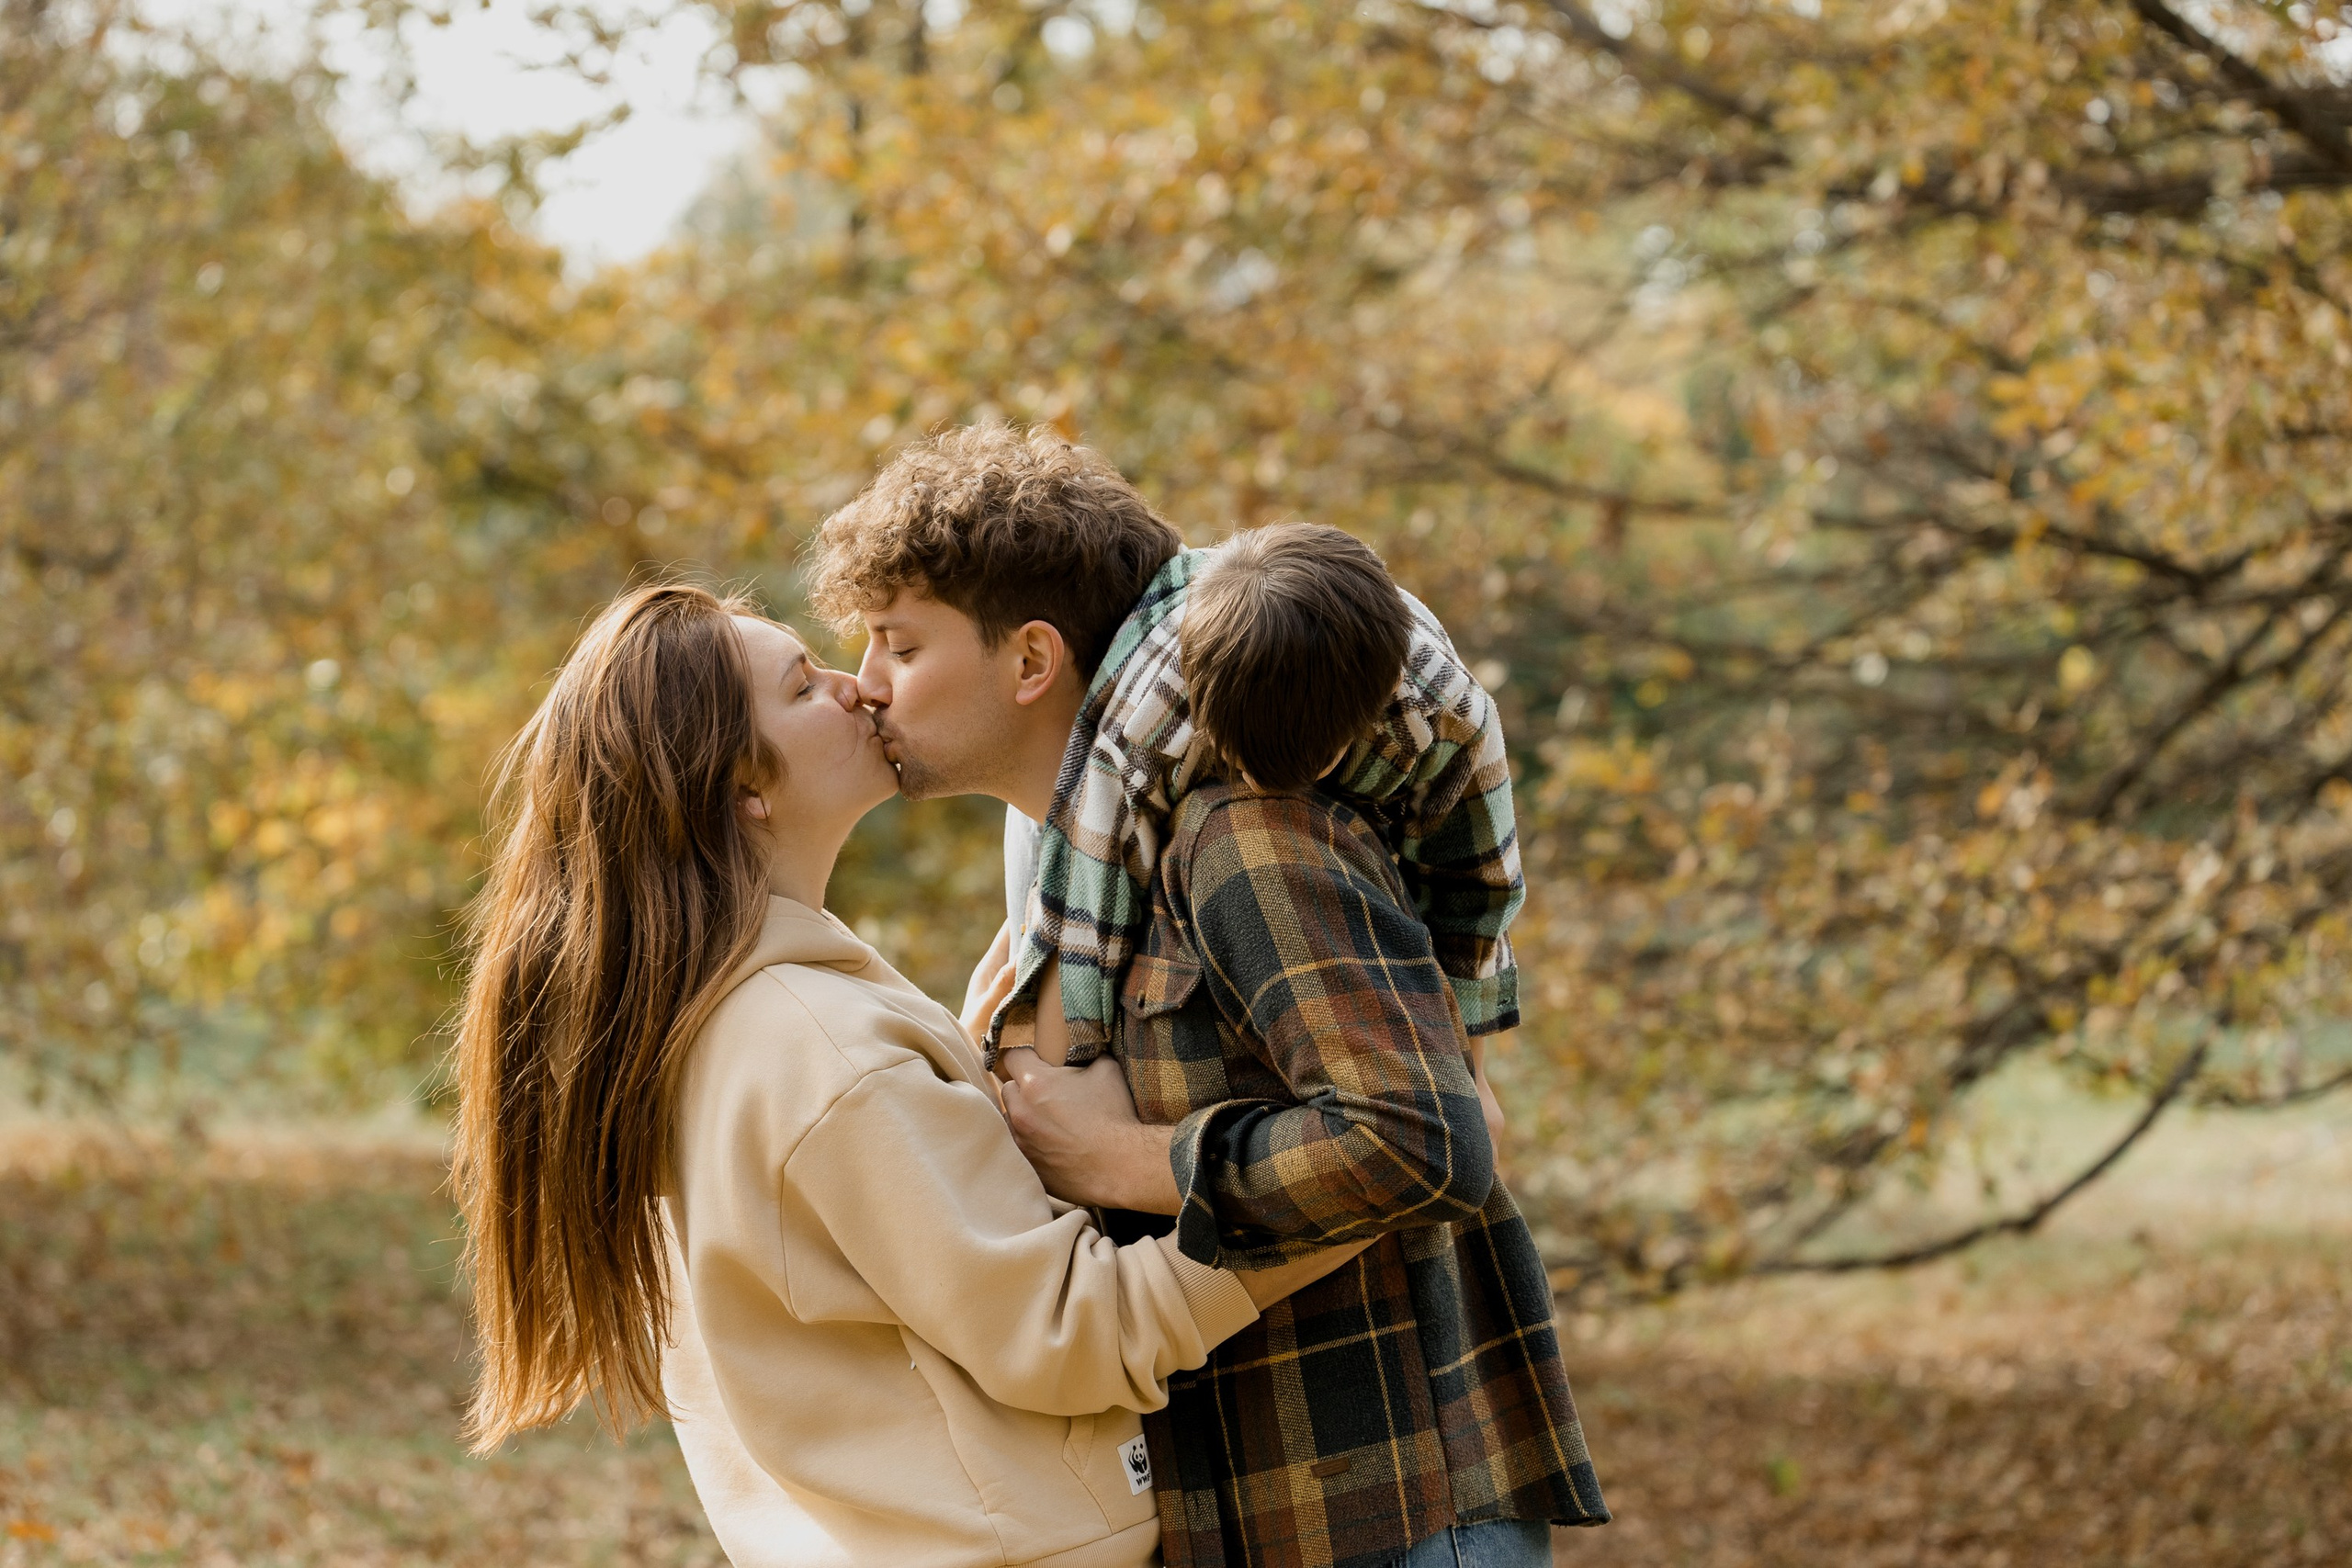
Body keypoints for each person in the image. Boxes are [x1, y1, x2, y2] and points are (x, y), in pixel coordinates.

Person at [810, 427, 1609, 1568]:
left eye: (899, 642)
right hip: (1240, 1498)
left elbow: (1430, 1139)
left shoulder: (1243, 830)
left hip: (1385, 1505)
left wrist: (1126, 1163)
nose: (866, 682)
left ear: (1030, 662)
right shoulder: (1052, 853)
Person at [449, 582, 1360, 1568]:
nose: (855, 687)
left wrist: (966, 1071)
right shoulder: (816, 1046)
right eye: (803, 687)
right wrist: (1355, 1187)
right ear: (743, 788)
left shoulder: (705, 1023)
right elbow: (1072, 1333)